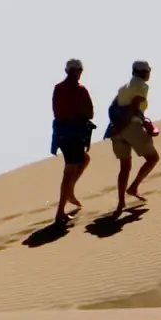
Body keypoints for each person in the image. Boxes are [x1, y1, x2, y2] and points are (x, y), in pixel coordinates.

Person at [106, 60, 160, 214]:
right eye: (148, 70)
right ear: (142, 72)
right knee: (153, 158)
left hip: (117, 131)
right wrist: (123, 126)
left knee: (124, 167)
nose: (149, 73)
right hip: (131, 127)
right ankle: (134, 186)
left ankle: (121, 203)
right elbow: (134, 106)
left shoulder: (123, 87)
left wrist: (116, 128)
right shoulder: (141, 86)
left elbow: (112, 107)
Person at [51, 59, 95, 225]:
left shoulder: (58, 88)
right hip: (74, 133)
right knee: (69, 171)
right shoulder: (79, 89)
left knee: (83, 159)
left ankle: (69, 193)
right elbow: (89, 113)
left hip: (62, 134)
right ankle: (60, 212)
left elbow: (56, 112)